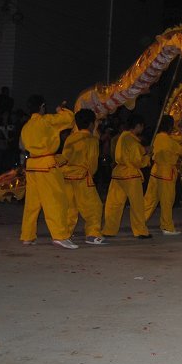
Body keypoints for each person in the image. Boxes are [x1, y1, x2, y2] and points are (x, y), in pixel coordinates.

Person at [19, 94, 77, 249]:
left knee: (32, 204)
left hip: (31, 165)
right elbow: (70, 120)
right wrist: (61, 110)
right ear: (42, 107)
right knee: (55, 201)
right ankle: (60, 236)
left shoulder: (26, 126)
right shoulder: (47, 121)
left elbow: (22, 146)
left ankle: (27, 235)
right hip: (46, 165)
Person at [144, 114, 182, 235]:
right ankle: (167, 226)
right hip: (166, 173)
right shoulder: (169, 142)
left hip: (155, 171)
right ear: (170, 126)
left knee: (149, 200)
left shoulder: (157, 137)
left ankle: (138, 222)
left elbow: (174, 139)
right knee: (167, 202)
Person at [61, 108, 107, 245]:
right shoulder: (91, 140)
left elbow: (65, 157)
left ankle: (64, 235)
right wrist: (90, 174)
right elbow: (92, 163)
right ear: (92, 124)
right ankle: (92, 234)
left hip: (67, 176)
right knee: (94, 206)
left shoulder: (70, 137)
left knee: (70, 207)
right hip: (82, 176)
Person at [102, 114, 152, 239]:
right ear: (138, 126)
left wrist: (144, 150)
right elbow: (137, 161)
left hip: (118, 173)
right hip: (131, 175)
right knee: (137, 205)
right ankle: (140, 230)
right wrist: (147, 155)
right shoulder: (133, 141)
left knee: (114, 204)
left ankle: (109, 229)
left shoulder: (121, 138)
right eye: (141, 126)